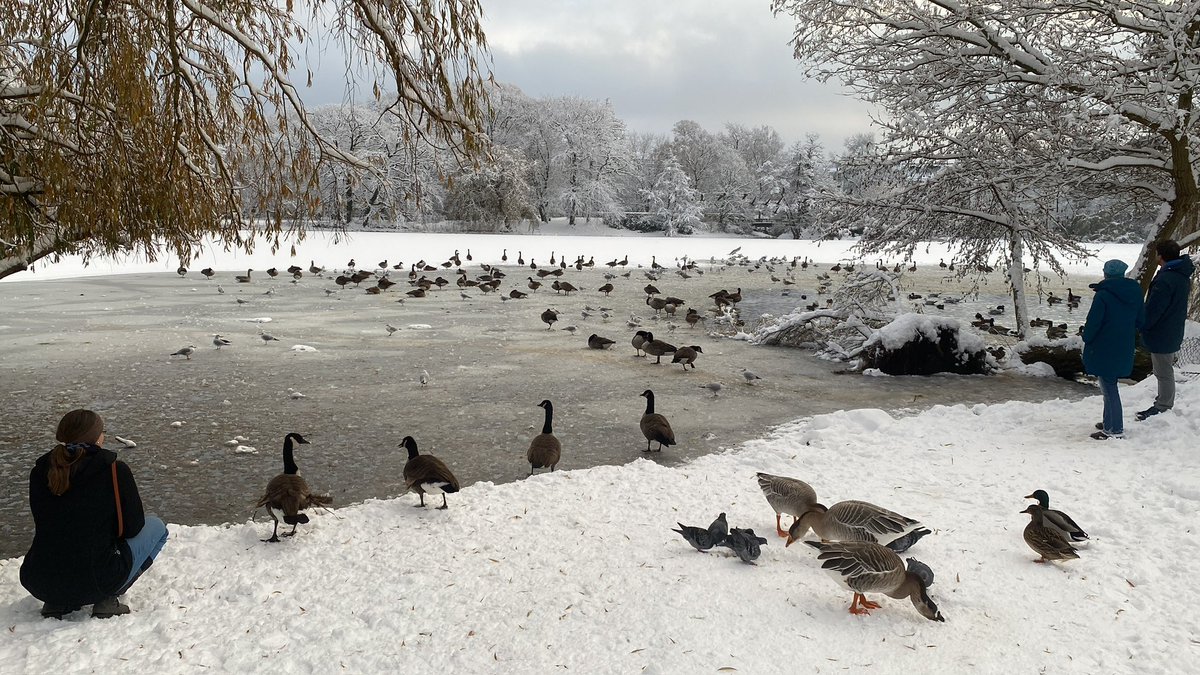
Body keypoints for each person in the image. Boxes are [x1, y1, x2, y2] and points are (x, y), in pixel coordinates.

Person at [20, 410, 168, 619]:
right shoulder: (114, 470)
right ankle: (108, 597)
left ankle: (57, 602)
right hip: (97, 579)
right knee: (157, 526)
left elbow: (44, 520)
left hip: (41, 579)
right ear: (96, 437)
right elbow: (132, 527)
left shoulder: (40, 471)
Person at [1081, 259, 1145, 440]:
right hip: (1124, 343)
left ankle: (1115, 428)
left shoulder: (1103, 295)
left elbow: (1094, 322)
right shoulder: (1135, 292)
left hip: (1104, 344)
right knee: (1108, 382)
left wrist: (1087, 337)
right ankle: (1109, 421)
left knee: (1109, 387)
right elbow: (1141, 319)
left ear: (1107, 273)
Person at [1136, 239, 1195, 420]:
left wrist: (1142, 325)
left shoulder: (1166, 278)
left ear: (1160, 256)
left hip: (1162, 331)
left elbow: (1155, 308)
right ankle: (1163, 402)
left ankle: (1163, 406)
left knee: (1163, 372)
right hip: (1172, 328)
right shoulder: (1180, 275)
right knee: (1164, 369)